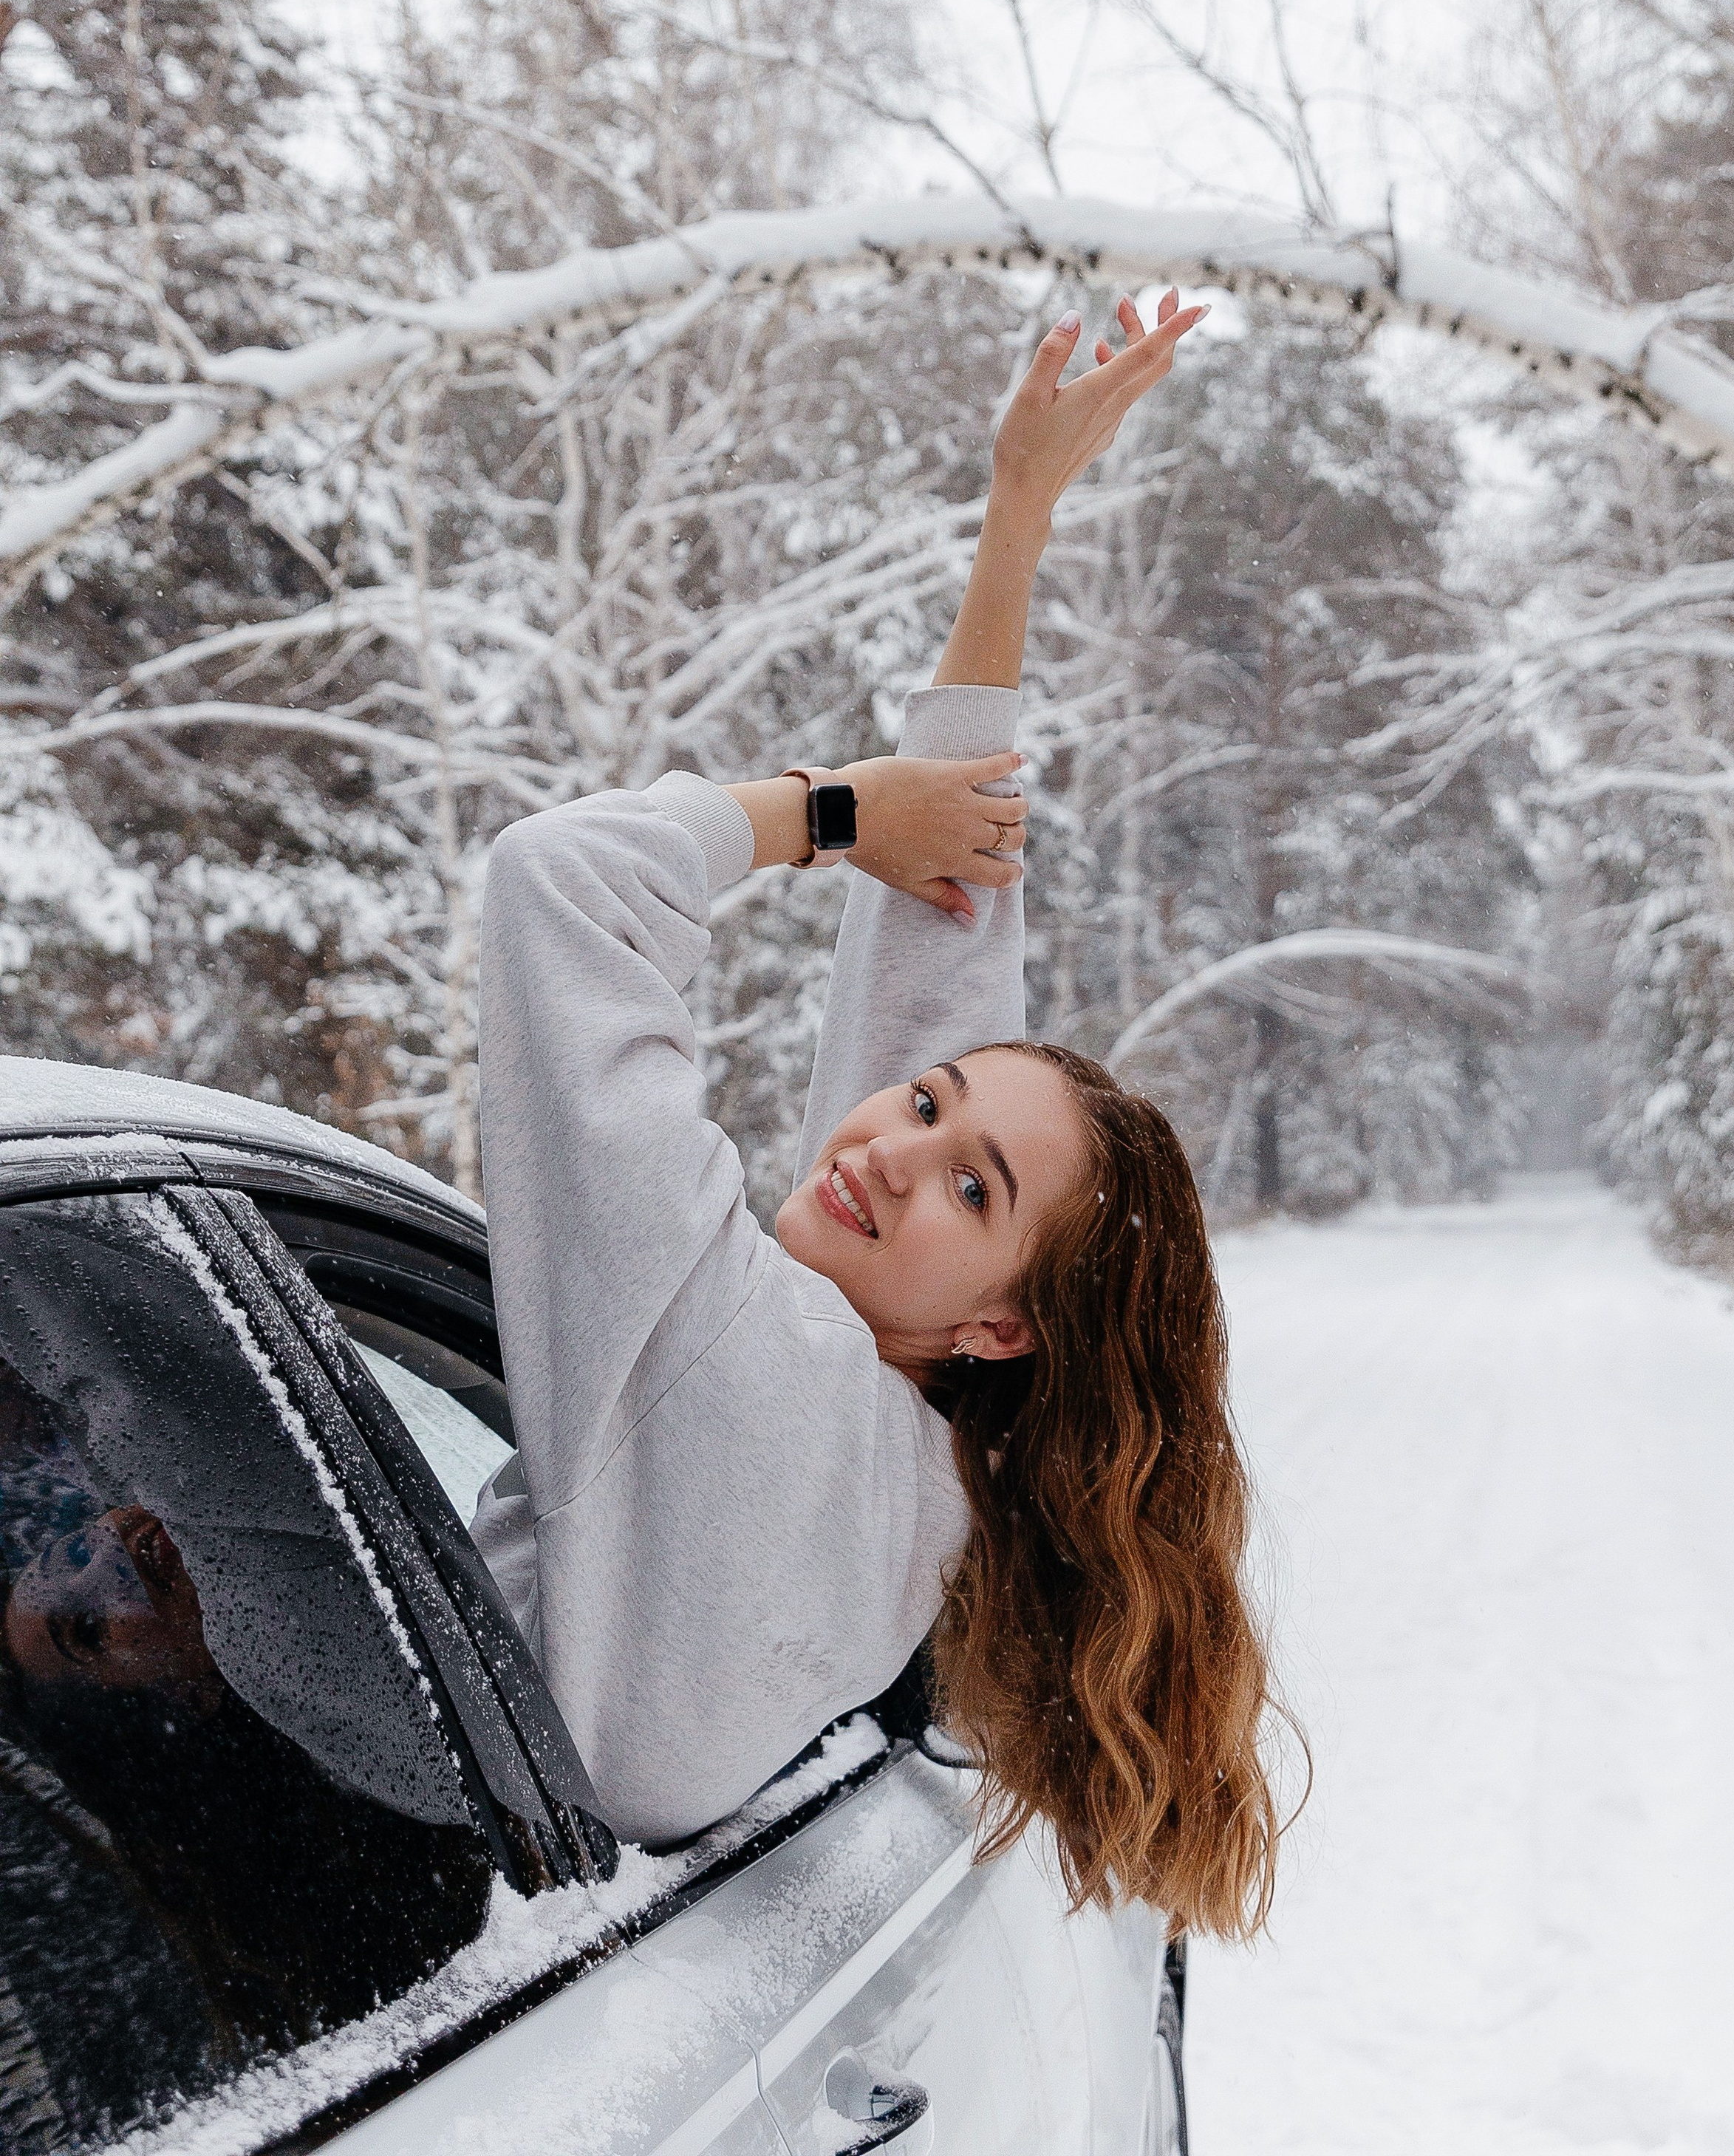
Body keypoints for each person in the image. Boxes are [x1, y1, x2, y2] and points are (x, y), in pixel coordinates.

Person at [471, 289, 1289, 1937]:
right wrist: (1016, 524)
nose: (890, 1150)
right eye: (921, 1106)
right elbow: (946, 968)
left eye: (971, 1191)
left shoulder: (755, 1370)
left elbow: (561, 883)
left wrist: (827, 811)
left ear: (1000, 1328)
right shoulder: (911, 1471)